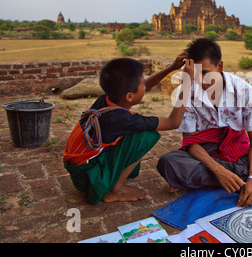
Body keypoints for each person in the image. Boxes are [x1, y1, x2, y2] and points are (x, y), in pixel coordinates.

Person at [157, 38, 252, 207]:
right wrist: (219, 171)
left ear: (219, 66)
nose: (200, 80)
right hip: (206, 150)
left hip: (238, 149)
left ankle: (225, 180)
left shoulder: (242, 90)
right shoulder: (185, 92)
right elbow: (190, 143)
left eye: (205, 72)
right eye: (194, 74)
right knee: (168, 162)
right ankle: (231, 179)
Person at [63, 54, 194, 204]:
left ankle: (112, 180)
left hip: (80, 170)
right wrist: (188, 82)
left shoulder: (107, 100)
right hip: (88, 178)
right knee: (146, 136)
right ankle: (114, 191)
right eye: (142, 85)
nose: (146, 87)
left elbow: (145, 85)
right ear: (130, 96)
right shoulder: (122, 120)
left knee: (136, 134)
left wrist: (171, 67)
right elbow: (173, 122)